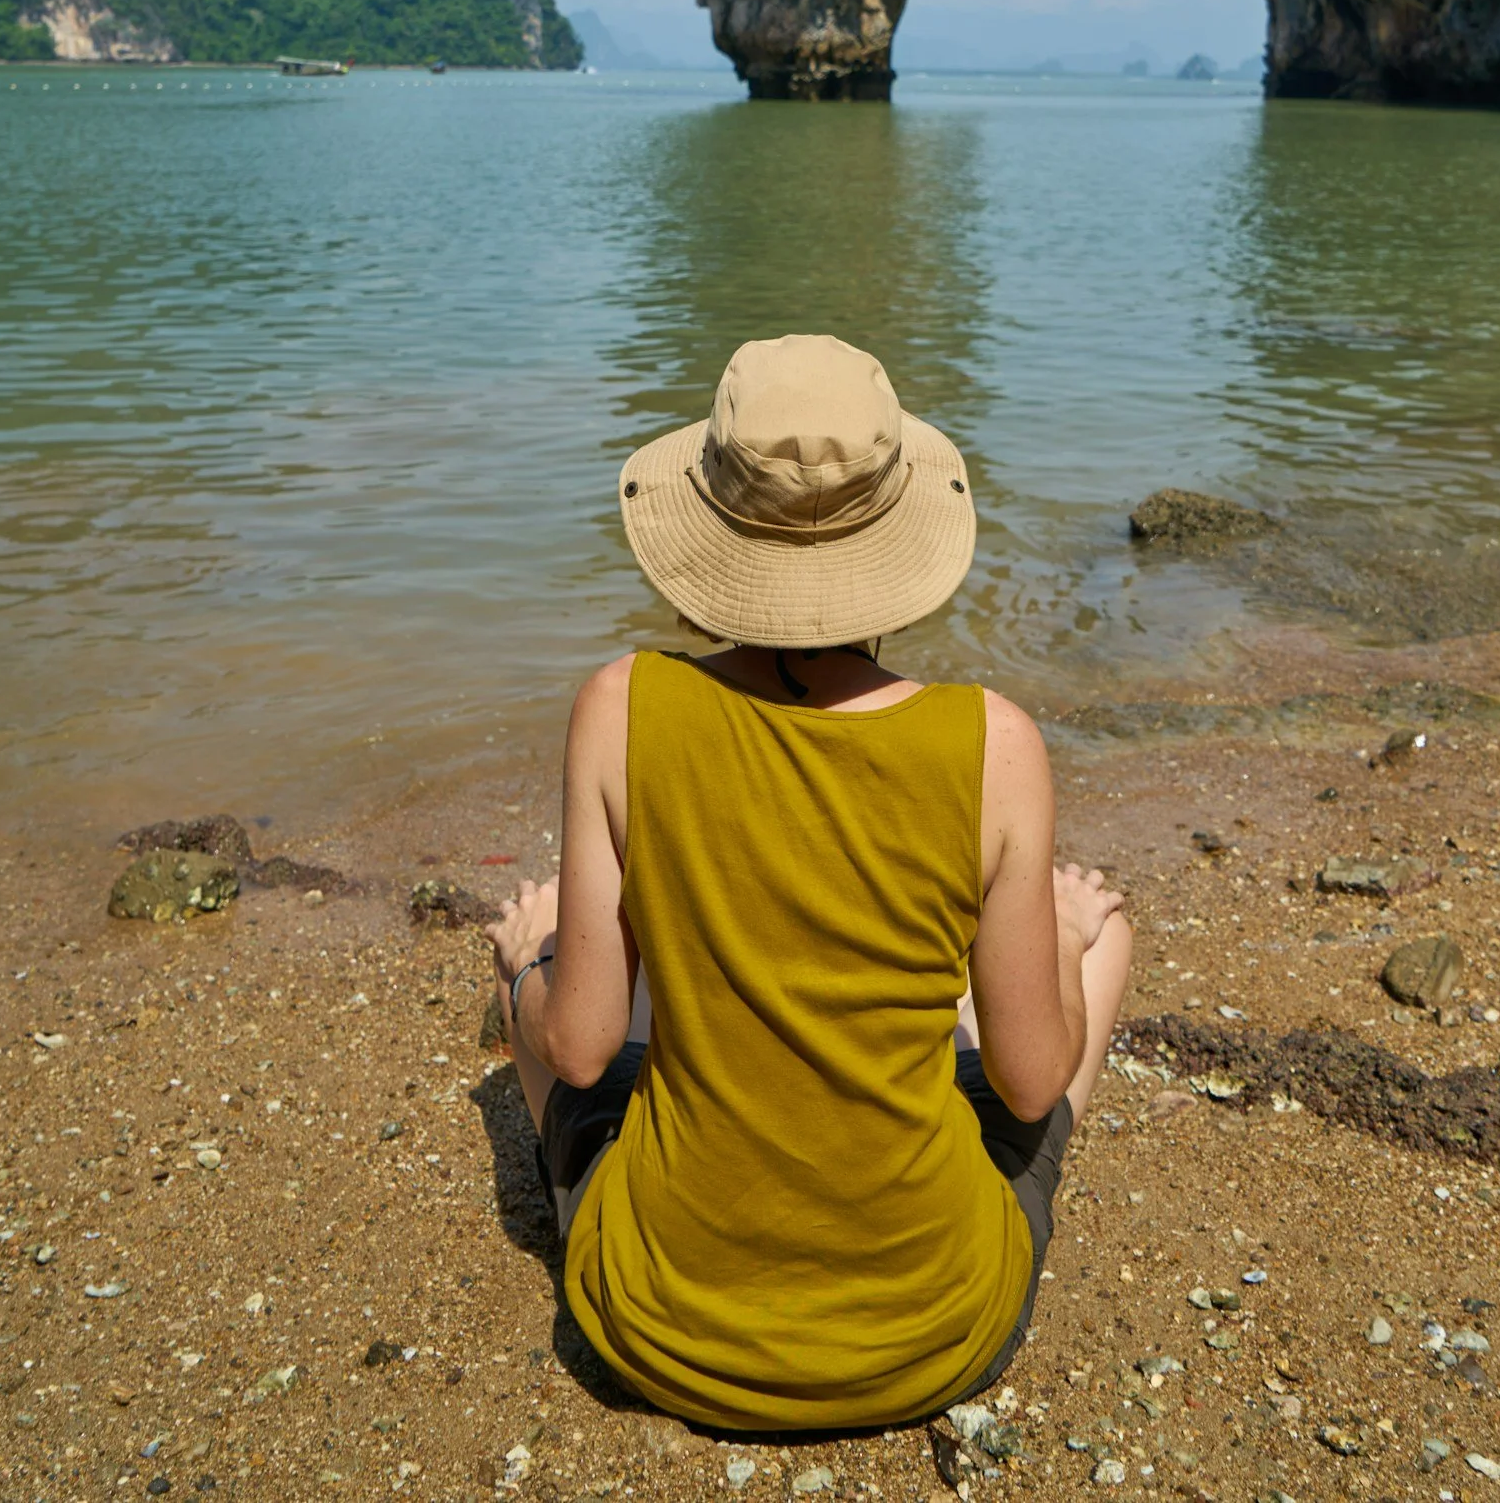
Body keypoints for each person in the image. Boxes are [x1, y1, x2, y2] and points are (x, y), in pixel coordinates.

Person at [485, 333, 1132, 1433]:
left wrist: (523, 969)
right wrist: (1065, 949)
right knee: (1099, 939)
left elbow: (586, 1046)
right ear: (896, 539)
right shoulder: (996, 743)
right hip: (931, 1330)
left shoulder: (621, 706)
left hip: (662, 1324)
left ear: (710, 534)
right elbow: (1031, 1084)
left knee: (558, 995)